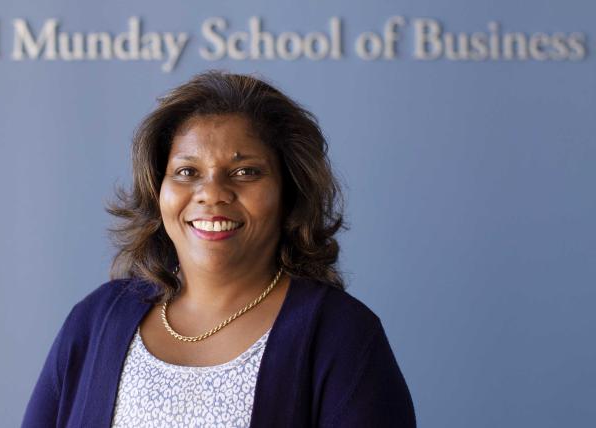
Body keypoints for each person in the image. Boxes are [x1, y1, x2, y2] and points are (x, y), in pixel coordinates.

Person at [21, 70, 416, 427]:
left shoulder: (342, 336)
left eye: (246, 172)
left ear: (288, 192)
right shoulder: (95, 321)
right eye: (186, 172)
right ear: (159, 192)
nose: (211, 193)